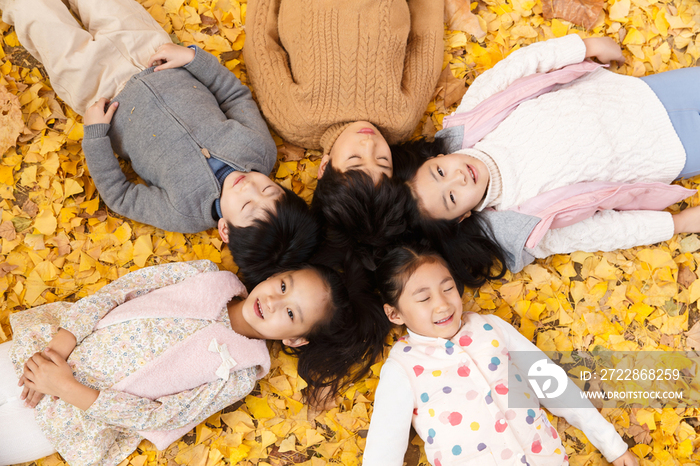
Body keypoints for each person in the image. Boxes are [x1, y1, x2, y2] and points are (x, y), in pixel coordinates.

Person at [0, 259, 375, 465]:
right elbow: (121, 290)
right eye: (283, 286)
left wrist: (66, 387)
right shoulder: (205, 276)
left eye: (291, 313)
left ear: (295, 339)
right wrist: (59, 348)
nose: (275, 302)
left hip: (72, 417)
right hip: (44, 350)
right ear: (276, 274)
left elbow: (164, 415)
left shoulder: (241, 372)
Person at [394, 34, 700, 285]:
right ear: (462, 217)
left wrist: (584, 45)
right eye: (451, 197)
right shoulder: (527, 221)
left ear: (438, 156)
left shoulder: (473, 119)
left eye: (439, 171)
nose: (457, 179)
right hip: (667, 149)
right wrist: (677, 223)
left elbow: (518, 66)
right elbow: (602, 230)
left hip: (645, 94)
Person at [1, 0, 286, 235]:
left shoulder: (185, 213)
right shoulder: (261, 149)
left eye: (248, 206)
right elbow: (234, 96)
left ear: (225, 229)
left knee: (34, 14)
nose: (252, 187)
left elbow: (121, 196)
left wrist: (96, 136)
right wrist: (192, 59)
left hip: (97, 86)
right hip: (149, 50)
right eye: (268, 189)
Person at [362, 246, 639, 466]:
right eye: (424, 299)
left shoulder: (489, 327)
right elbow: (384, 450)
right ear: (394, 314)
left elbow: (551, 383)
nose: (443, 304)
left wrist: (612, 445)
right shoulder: (402, 366)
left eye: (448, 288)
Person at [242, 0, 444, 183]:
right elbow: (426, 42)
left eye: (355, 159)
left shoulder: (294, 120)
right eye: (383, 161)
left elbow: (261, 47)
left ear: (325, 166)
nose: (368, 144)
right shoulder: (401, 119)